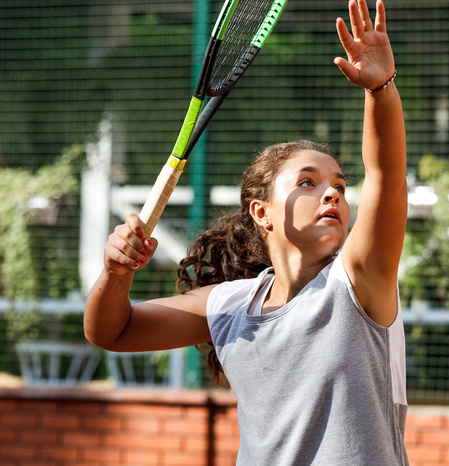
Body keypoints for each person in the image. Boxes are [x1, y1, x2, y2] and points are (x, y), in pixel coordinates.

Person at [84, 0, 408, 463]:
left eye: (339, 185)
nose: (333, 194)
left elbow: (386, 178)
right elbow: (112, 332)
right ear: (262, 211)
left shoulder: (358, 282)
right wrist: (116, 272)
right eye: (307, 183)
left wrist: (381, 90)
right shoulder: (232, 304)